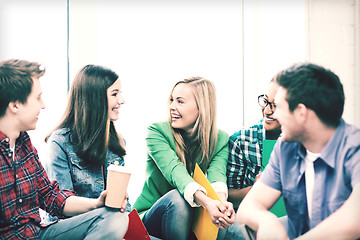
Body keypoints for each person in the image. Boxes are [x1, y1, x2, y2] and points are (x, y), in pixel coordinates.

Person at [0, 59, 128, 239]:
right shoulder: (59, 141)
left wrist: (97, 204)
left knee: (114, 217)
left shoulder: (25, 145)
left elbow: (51, 197)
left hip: (37, 234)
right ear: (15, 105)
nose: (43, 105)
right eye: (37, 98)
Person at [237, 62, 360, 239]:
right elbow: (248, 208)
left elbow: (355, 217)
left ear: (301, 112)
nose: (274, 114)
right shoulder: (285, 147)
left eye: (278, 107)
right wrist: (266, 221)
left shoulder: (354, 146)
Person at [133, 77, 236, 240]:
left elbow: (217, 178)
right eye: (172, 100)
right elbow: (176, 173)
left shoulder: (221, 139)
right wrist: (207, 202)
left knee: (224, 222)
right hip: (150, 218)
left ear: (201, 107)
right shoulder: (156, 132)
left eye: (180, 102)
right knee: (177, 199)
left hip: (189, 220)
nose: (172, 106)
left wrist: (221, 206)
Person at [44, 64, 130, 213]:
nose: (122, 100)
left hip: (112, 225)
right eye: (114, 94)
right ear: (95, 99)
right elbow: (60, 208)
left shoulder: (118, 142)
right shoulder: (60, 142)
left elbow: (123, 205)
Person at [227, 77, 281, 207]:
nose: (267, 111)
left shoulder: (304, 143)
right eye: (265, 101)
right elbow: (228, 196)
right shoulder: (241, 140)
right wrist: (256, 189)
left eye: (276, 105)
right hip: (250, 216)